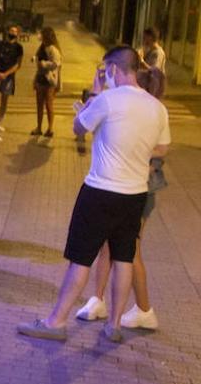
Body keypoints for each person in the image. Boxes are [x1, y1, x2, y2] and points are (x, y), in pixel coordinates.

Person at [17, 46, 170, 344]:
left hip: (100, 190)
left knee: (81, 259)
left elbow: (77, 128)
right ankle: (113, 324)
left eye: (105, 70)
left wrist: (93, 98)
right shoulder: (156, 107)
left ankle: (56, 321)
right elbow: (162, 148)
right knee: (124, 257)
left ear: (113, 69)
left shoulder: (108, 100)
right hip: (134, 194)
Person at [74, 65, 167, 331]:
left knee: (129, 251)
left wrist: (137, 155)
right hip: (128, 188)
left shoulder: (150, 112)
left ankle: (145, 310)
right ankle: (98, 299)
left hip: (137, 189)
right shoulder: (148, 110)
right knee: (110, 247)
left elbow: (162, 150)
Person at [0, 24, 24, 134]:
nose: (13, 33)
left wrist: (6, 74)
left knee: (4, 100)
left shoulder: (19, 48)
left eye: (15, 31)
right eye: (11, 30)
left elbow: (18, 64)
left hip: (8, 76)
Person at [32, 26, 63, 137]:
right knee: (39, 105)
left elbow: (56, 63)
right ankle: (39, 128)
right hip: (40, 79)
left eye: (42, 34)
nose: (40, 37)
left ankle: (50, 128)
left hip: (49, 81)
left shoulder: (53, 49)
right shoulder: (42, 47)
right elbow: (37, 58)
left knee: (49, 105)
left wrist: (44, 64)